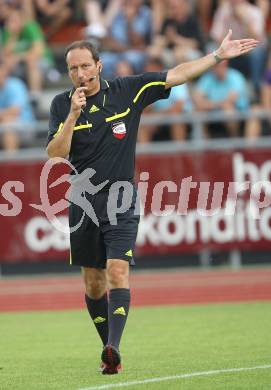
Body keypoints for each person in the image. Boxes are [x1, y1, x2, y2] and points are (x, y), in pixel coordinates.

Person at [46, 30, 258, 374]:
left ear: (99, 65)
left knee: (117, 270)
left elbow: (178, 73)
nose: (80, 73)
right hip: (83, 202)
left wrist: (217, 56)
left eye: (85, 65)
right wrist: (72, 115)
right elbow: (55, 154)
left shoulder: (128, 90)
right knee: (93, 282)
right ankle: (108, 351)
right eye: (73, 69)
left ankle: (114, 346)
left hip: (121, 198)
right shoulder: (61, 104)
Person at [193, 59, 249, 138]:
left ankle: (235, 142)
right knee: (198, 111)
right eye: (215, 66)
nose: (218, 69)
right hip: (213, 110)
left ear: (226, 65)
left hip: (238, 111)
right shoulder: (207, 78)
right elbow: (197, 100)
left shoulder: (235, 76)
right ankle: (204, 146)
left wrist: (208, 104)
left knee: (228, 110)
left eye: (221, 66)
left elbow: (231, 100)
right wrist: (216, 104)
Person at [0, 61, 35, 152]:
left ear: (4, 71)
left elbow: (15, 111)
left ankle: (10, 164)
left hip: (24, 126)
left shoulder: (15, 84)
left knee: (8, 124)